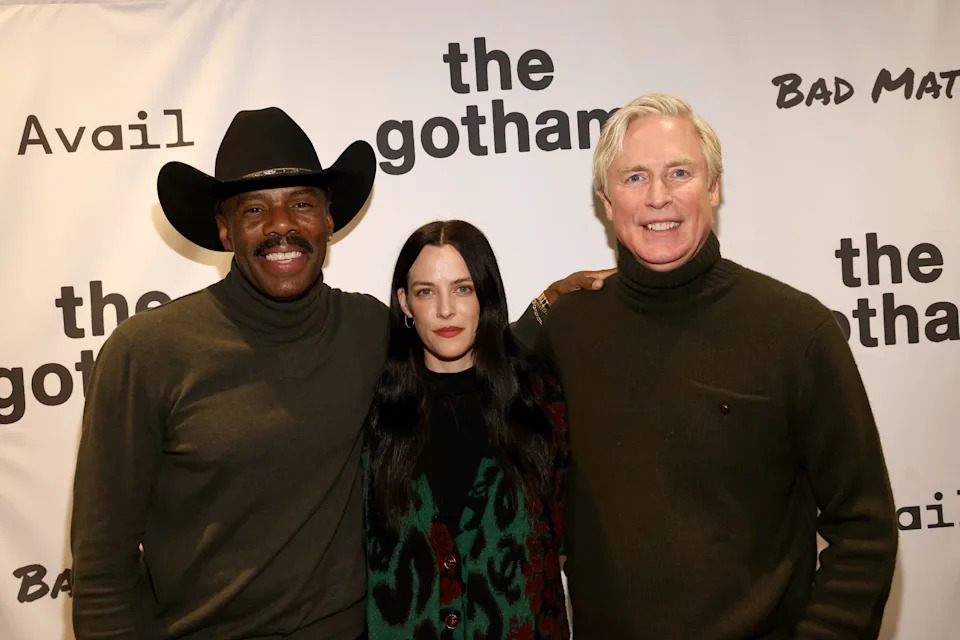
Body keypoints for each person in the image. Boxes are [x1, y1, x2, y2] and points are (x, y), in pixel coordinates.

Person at [70, 107, 602, 639]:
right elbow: (101, 572)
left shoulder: (366, 328)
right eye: (254, 209)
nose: (281, 225)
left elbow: (462, 350)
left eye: (301, 204)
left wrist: (548, 306)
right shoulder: (146, 354)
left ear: (329, 220)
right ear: (224, 230)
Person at [527, 94, 898, 639]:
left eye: (679, 173)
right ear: (606, 201)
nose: (658, 196)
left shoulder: (795, 331)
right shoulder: (568, 331)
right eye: (634, 177)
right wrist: (538, 309)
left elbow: (865, 529)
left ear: (714, 188)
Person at [364, 221, 569, 640]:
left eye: (463, 288)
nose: (446, 310)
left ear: (485, 295)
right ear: (405, 303)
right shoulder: (371, 410)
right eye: (426, 292)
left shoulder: (540, 399)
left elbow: (574, 538)